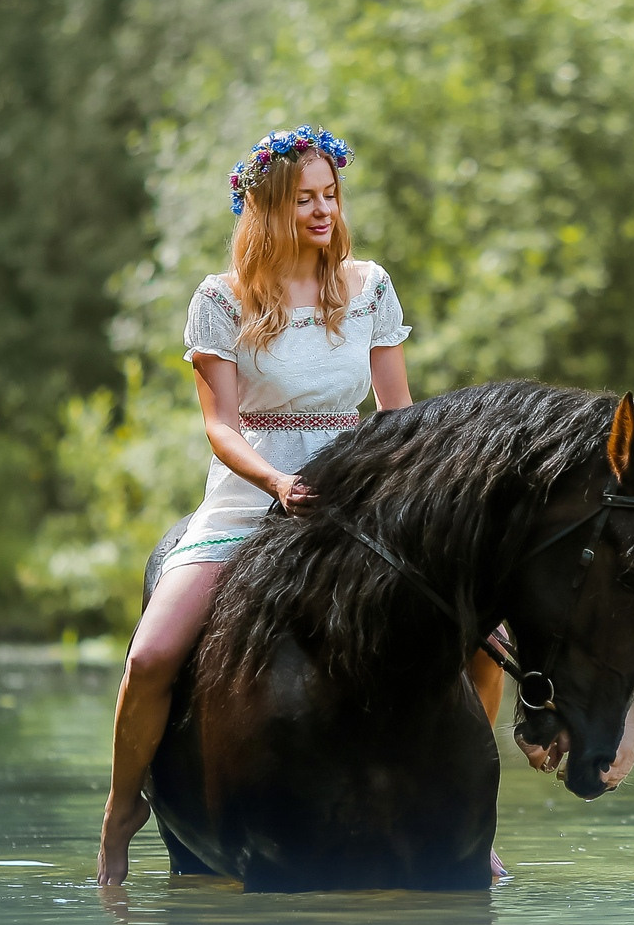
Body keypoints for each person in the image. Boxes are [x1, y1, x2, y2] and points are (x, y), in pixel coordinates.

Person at [97, 126, 512, 884]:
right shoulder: (221, 301)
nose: (322, 212)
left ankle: (462, 810)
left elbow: (396, 415)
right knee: (151, 656)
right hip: (250, 500)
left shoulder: (370, 287)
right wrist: (277, 484)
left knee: (483, 640)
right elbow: (221, 426)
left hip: (358, 494)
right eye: (304, 200)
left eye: (330, 196)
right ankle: (125, 806)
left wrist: (413, 500)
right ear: (266, 208)